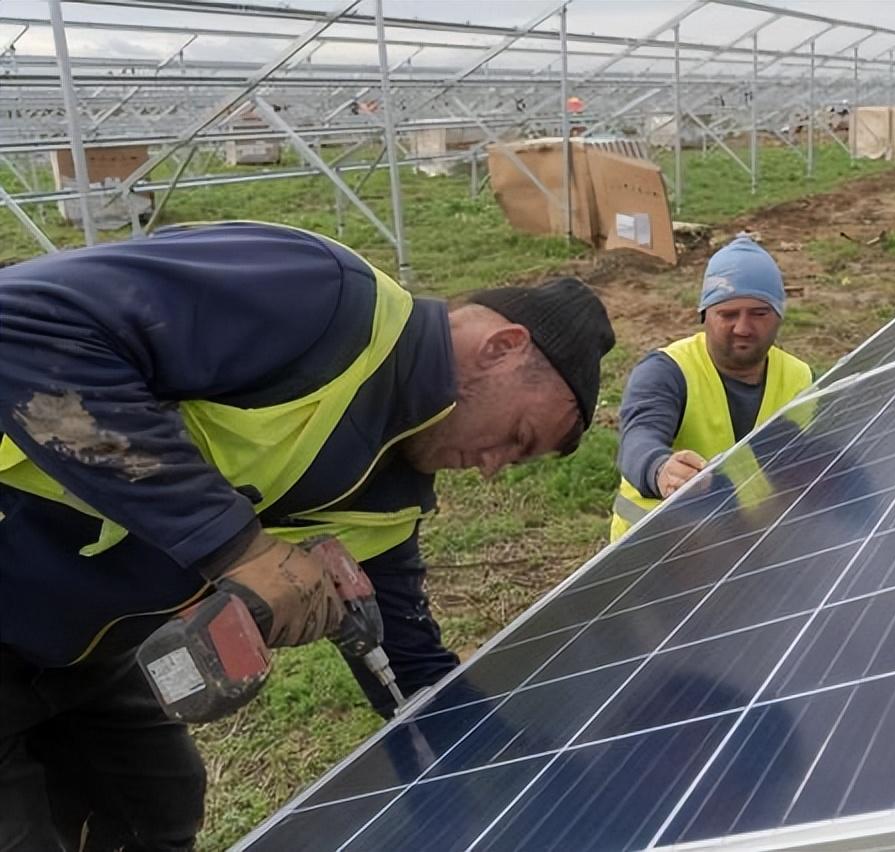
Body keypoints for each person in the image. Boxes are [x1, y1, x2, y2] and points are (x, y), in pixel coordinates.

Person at [0, 221, 615, 851]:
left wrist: (526, 763)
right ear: (501, 347)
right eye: (516, 439)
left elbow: (408, 668)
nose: (491, 469)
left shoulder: (390, 495)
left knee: (154, 807)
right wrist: (235, 544)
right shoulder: (321, 300)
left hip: (72, 654)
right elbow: (20, 324)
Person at [611, 235, 812, 541]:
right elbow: (639, 437)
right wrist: (660, 468)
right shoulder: (666, 371)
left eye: (759, 313)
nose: (743, 328)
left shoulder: (801, 378)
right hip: (658, 552)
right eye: (728, 314)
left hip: (745, 545)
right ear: (705, 316)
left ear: (779, 315)